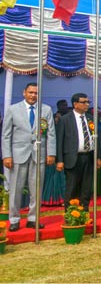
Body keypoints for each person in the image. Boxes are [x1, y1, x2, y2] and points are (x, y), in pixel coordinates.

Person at [1, 83, 56, 231]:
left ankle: (33, 218)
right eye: (30, 92)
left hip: (39, 154)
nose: (33, 95)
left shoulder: (46, 110)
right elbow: (6, 135)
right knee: (15, 189)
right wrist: (6, 155)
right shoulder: (13, 109)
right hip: (18, 154)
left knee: (36, 189)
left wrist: (51, 153)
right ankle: (14, 219)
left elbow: (51, 133)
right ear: (24, 92)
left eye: (36, 93)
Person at [56, 93, 101, 211]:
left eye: (88, 102)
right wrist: (60, 160)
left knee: (86, 187)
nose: (87, 104)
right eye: (84, 102)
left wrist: (98, 157)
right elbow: (59, 140)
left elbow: (97, 138)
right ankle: (71, 214)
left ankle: (84, 212)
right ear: (75, 104)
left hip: (89, 156)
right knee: (72, 187)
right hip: (72, 158)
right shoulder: (65, 119)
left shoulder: (90, 118)